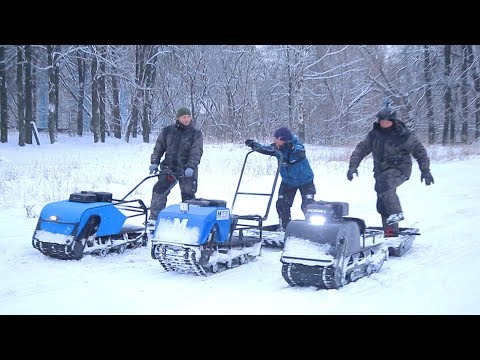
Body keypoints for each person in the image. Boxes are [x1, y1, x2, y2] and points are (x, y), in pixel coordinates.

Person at [346, 104, 434, 236]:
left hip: (400, 169)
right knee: (382, 202)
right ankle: (390, 231)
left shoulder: (403, 135)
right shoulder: (374, 135)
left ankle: (396, 212)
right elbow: (361, 149)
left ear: (393, 121)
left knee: (384, 184)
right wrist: (353, 166)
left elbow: (419, 151)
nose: (384, 124)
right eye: (382, 121)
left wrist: (425, 170)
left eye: (387, 121)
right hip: (381, 171)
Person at [245, 127, 316, 231]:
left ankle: (313, 229)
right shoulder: (277, 149)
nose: (274, 141)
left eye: (276, 139)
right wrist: (253, 145)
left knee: (307, 205)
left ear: (282, 139)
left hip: (305, 181)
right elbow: (265, 149)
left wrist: (291, 147)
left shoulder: (297, 146)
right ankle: (285, 227)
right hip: (288, 182)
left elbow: (300, 151)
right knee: (282, 204)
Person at [147, 107, 203, 226]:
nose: (187, 119)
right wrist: (154, 162)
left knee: (188, 195)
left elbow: (196, 151)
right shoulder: (168, 131)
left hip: (187, 169)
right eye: (184, 117)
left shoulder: (195, 133)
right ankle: (154, 218)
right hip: (169, 168)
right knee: (159, 190)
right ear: (178, 117)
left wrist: (191, 166)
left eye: (188, 117)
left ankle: (190, 221)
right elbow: (159, 147)